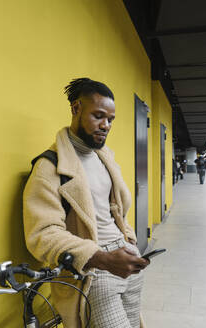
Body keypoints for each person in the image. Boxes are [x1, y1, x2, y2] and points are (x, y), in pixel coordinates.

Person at [23, 78, 149, 328]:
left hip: (126, 260)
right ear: (76, 108)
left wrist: (130, 242)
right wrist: (102, 258)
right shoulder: (49, 167)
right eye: (98, 116)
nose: (106, 125)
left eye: (110, 119)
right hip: (95, 269)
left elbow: (116, 212)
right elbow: (42, 235)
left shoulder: (105, 159)